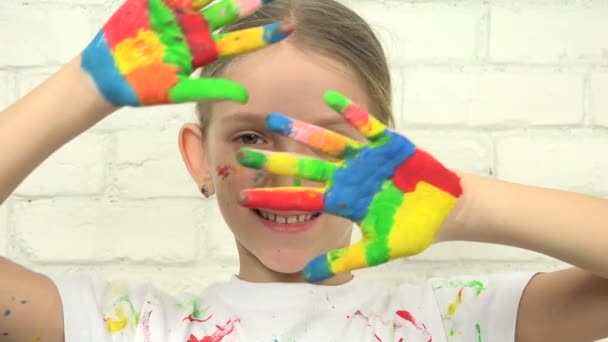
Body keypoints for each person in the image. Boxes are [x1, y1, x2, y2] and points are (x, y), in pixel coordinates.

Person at [0, 0, 607, 341]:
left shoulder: (453, 322)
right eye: (250, 138)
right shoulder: (128, 329)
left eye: (329, 141)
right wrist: (83, 88)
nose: (290, 177)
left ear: (387, 155)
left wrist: (463, 206)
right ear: (199, 157)